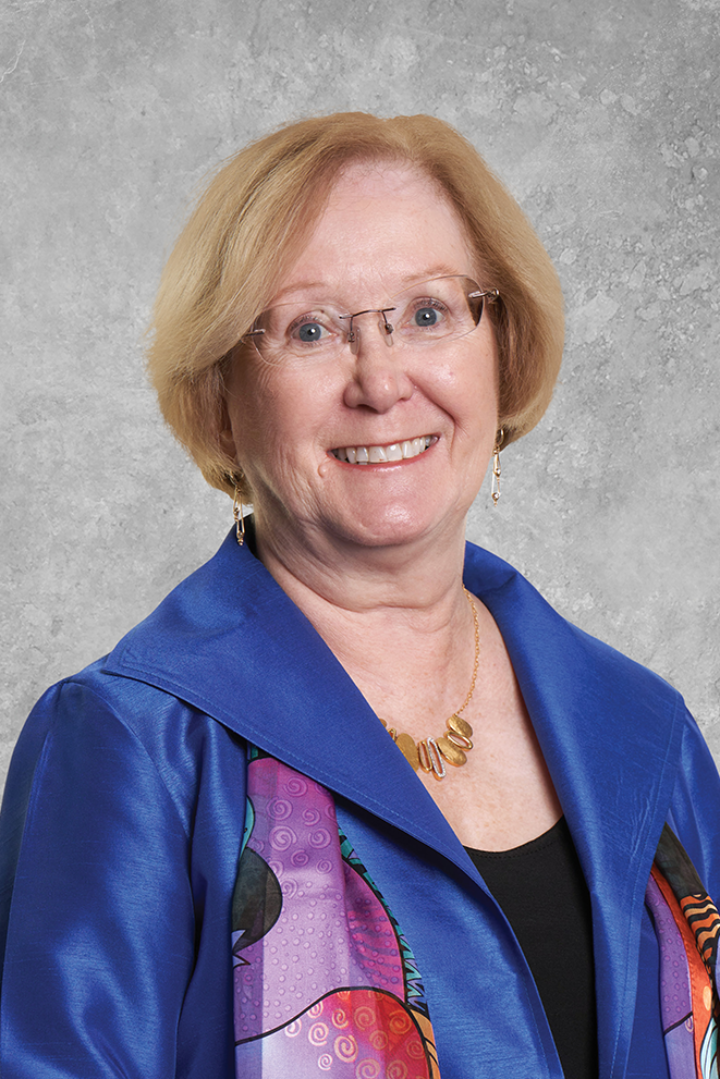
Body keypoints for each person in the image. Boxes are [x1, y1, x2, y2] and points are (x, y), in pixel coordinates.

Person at [0, 112, 718, 1079]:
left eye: (427, 313)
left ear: (500, 346)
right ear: (221, 392)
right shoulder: (134, 746)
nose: (381, 381)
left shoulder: (645, 734)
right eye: (309, 329)